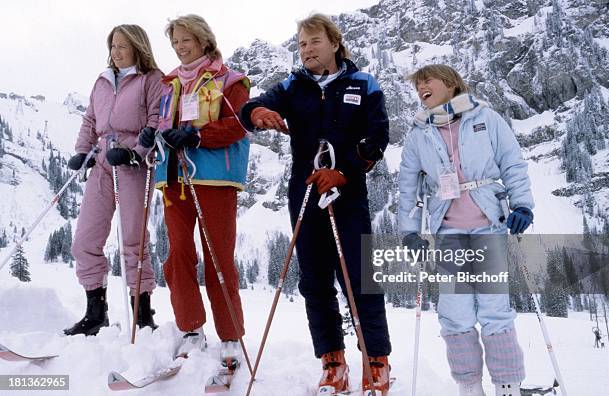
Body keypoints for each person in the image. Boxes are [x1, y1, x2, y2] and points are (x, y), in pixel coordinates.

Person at [239, 13, 392, 395]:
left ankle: (376, 361)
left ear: (335, 43)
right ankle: (332, 362)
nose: (306, 49)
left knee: (359, 278)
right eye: (301, 44)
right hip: (305, 189)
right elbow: (253, 106)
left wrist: (347, 170)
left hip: (347, 190)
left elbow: (378, 136)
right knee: (314, 279)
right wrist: (258, 113)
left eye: (314, 42)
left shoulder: (363, 83)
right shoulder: (293, 85)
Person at [398, 64, 535, 396]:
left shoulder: (485, 119)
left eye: (426, 81)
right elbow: (408, 187)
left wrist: (522, 205)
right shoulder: (419, 133)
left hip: (489, 224)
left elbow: (512, 161)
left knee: (494, 309)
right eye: (417, 86)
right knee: (455, 313)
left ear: (449, 83)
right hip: (448, 231)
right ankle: (469, 386)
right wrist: (410, 232)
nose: (421, 89)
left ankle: (507, 385)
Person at [137, 14, 249, 362]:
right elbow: (162, 124)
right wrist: (150, 136)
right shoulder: (170, 82)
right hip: (174, 179)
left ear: (203, 40)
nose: (180, 47)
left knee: (218, 257)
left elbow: (239, 125)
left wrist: (199, 135)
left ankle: (230, 336)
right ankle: (190, 329)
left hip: (214, 178)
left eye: (186, 40)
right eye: (175, 43)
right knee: (178, 255)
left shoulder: (231, 80)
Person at [64, 25, 163, 336]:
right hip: (103, 163)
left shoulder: (151, 79)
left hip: (132, 165)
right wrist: (83, 152)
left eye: (122, 46)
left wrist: (136, 152)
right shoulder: (103, 81)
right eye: (113, 46)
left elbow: (156, 121)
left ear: (137, 47)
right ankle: (96, 313)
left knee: (133, 241)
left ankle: (142, 315)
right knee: (84, 240)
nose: (116, 52)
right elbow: (91, 119)